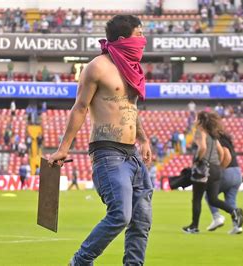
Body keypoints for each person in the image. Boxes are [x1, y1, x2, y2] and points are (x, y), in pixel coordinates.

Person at [48, 15, 153, 265]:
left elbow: (130, 109)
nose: (143, 41)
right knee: (120, 215)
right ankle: (81, 261)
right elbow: (80, 107)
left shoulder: (132, 69)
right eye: (139, 35)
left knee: (141, 220)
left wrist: (144, 139)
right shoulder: (97, 67)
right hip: (108, 153)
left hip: (132, 154)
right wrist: (64, 148)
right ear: (122, 40)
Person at [183, 111, 243, 234]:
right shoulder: (213, 135)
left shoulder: (200, 132)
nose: (194, 121)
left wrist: (197, 160)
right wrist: (218, 165)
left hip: (204, 168)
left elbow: (203, 148)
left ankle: (194, 226)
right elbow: (221, 152)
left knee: (197, 198)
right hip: (216, 169)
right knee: (213, 199)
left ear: (200, 121)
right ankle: (234, 211)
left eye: (196, 119)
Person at [205, 128, 243, 234]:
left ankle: (217, 217)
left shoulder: (218, 140)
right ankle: (237, 226)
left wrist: (220, 169)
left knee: (209, 194)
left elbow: (226, 154)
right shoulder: (227, 141)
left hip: (227, 172)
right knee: (231, 201)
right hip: (237, 173)